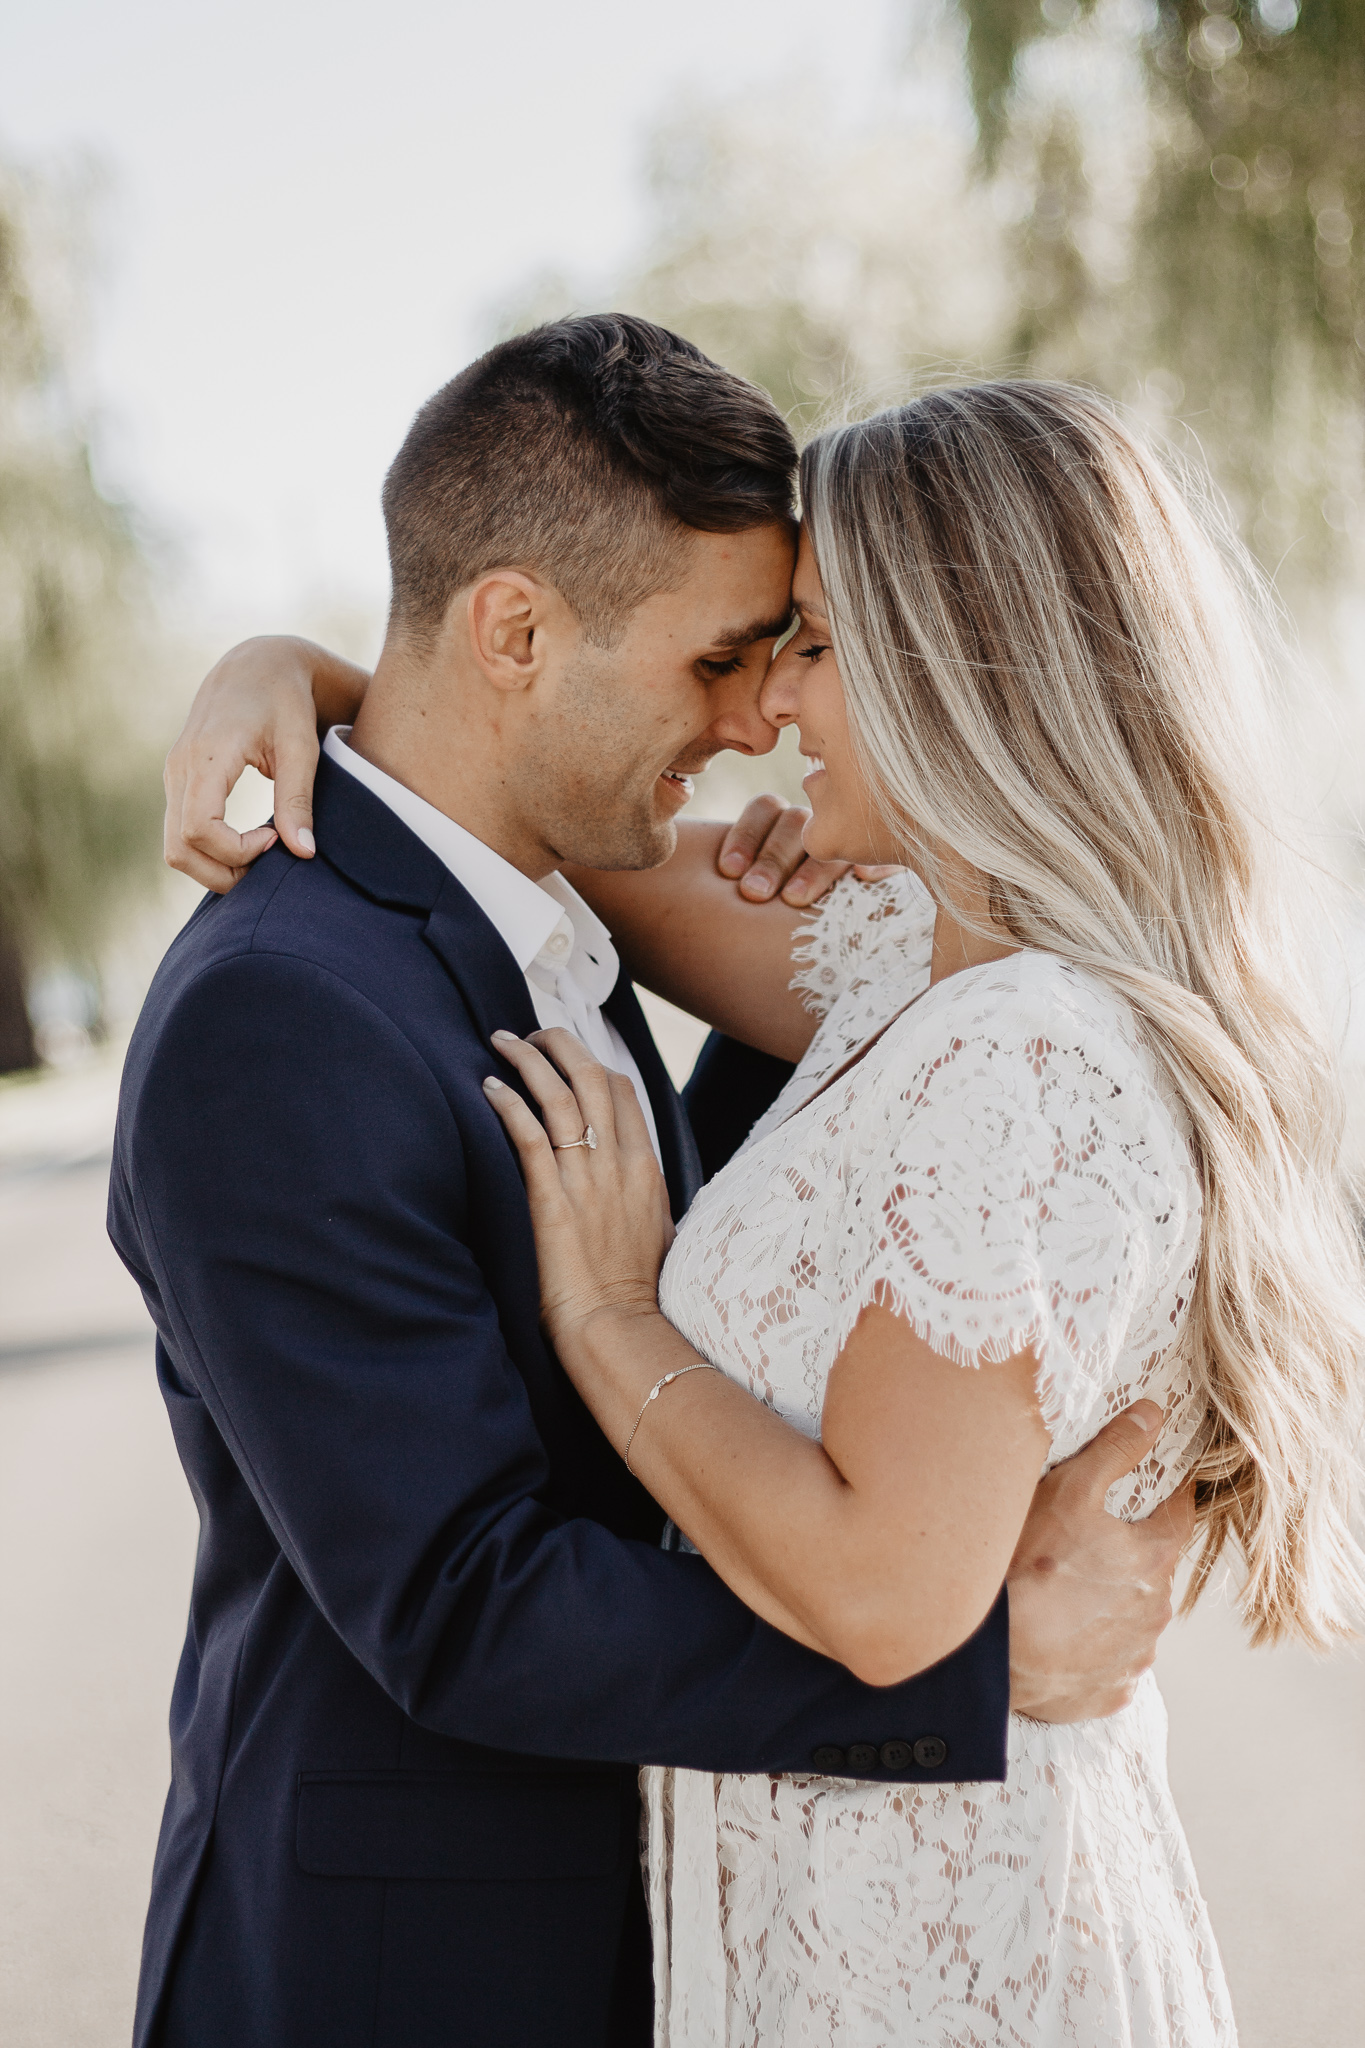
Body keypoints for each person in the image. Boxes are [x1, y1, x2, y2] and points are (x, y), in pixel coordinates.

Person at [125, 320, 1190, 2048]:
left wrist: (320, 676)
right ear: (519, 633)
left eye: (793, 653)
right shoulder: (283, 1013)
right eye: (721, 660)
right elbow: (456, 1595)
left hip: (706, 1932)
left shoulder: (566, 915)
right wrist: (981, 1664)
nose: (758, 719)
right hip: (422, 1978)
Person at [475, 381, 1365, 2045]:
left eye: (807, 641)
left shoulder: (1019, 1049)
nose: (764, 706)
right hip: (845, 1913)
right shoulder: (918, 980)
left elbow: (889, 1595)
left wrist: (612, 1319)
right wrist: (308, 681)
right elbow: (545, 811)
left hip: (934, 1957)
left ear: (953, 665)